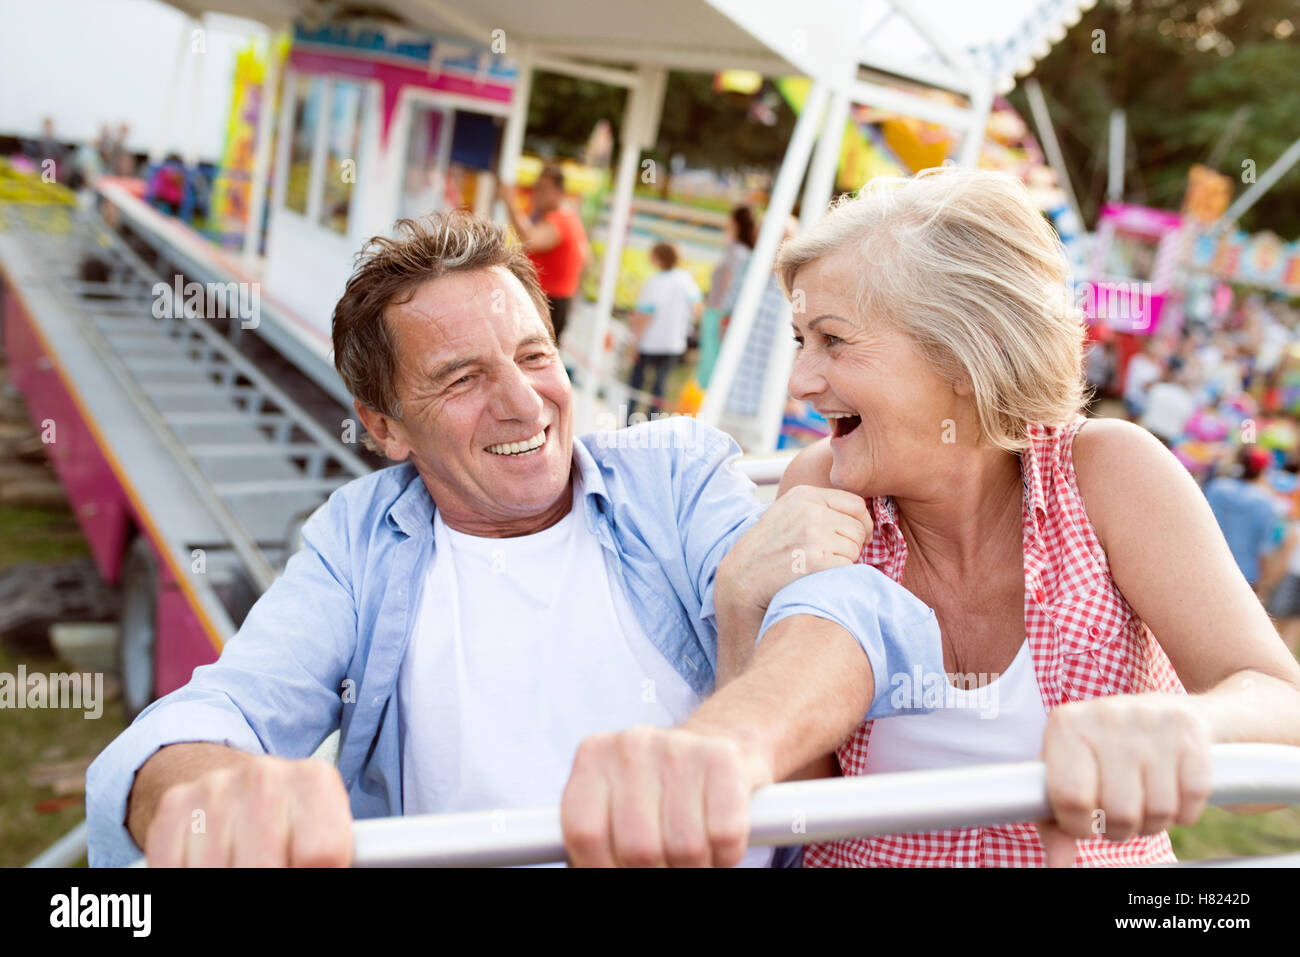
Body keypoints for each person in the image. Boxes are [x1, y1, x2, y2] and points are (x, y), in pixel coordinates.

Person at [85, 210, 942, 868]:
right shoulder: (360, 541)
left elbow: (837, 618)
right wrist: (200, 791)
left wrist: (723, 745)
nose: (525, 405)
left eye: (534, 357)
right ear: (385, 427)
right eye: (462, 378)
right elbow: (222, 707)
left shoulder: (672, 473)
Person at [580, 166, 1300, 868]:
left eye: (833, 339)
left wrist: (1188, 723)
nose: (801, 382)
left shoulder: (1109, 474)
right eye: (802, 342)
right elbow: (795, 819)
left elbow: (1280, 708)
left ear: (962, 354)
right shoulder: (821, 490)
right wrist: (740, 607)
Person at [498, 165, 588, 343]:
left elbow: (530, 239)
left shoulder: (560, 219)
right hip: (552, 301)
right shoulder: (568, 218)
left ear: (559, 193)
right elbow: (586, 260)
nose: (536, 193)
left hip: (548, 303)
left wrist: (510, 202)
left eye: (543, 188)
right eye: (536, 187)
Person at [626, 241, 701, 420]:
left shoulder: (654, 283)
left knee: (636, 386)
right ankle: (653, 424)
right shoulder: (685, 280)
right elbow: (697, 309)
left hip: (650, 343)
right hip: (673, 343)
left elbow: (645, 316)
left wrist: (633, 342)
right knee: (659, 388)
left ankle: (630, 421)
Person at [1204, 445, 1286, 592]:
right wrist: (1265, 582)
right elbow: (1264, 547)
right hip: (1243, 575)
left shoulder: (1217, 487)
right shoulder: (1265, 501)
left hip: (1207, 565)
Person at [697, 205, 756, 387]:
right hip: (720, 311)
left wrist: (714, 308)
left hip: (718, 312)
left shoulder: (735, 251)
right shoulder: (744, 252)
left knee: (712, 361)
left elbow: (727, 283)